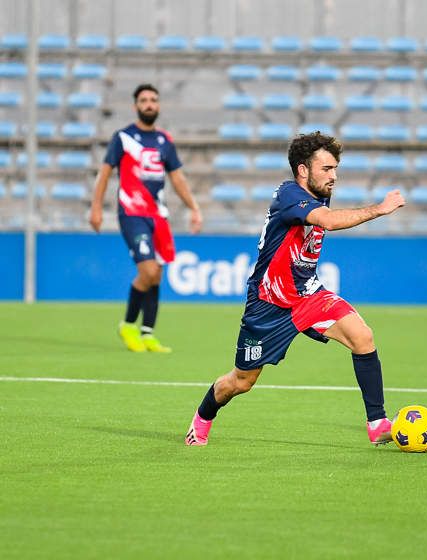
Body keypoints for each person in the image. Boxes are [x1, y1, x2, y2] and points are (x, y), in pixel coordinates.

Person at [184, 132, 405, 447]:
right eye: (327, 169)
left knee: (363, 337)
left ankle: (378, 423)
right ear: (303, 170)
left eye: (335, 169)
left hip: (309, 295)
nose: (334, 176)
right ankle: (203, 418)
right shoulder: (289, 195)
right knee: (241, 382)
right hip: (269, 305)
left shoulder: (318, 192)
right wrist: (379, 209)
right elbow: (326, 222)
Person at [89, 83, 202, 353]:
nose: (149, 104)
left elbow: (177, 178)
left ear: (158, 105)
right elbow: (104, 174)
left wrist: (193, 207)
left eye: (153, 99)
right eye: (144, 100)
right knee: (147, 270)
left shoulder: (165, 140)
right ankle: (128, 325)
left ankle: (148, 333)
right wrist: (95, 208)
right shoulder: (123, 138)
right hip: (131, 212)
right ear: (135, 106)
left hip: (158, 215)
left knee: (157, 275)